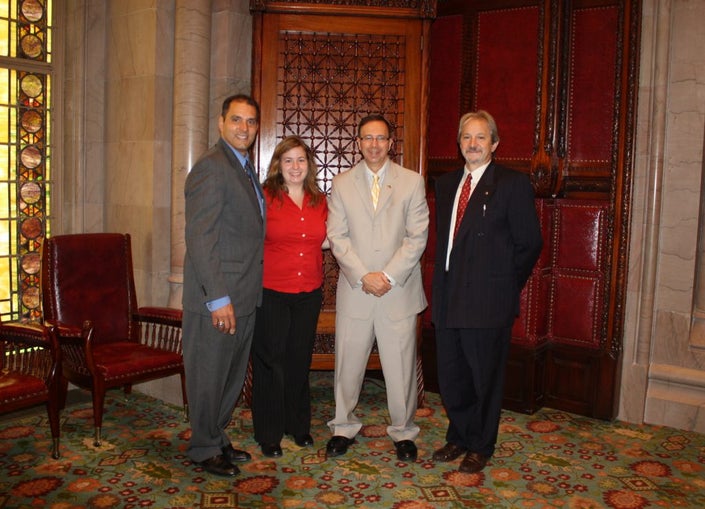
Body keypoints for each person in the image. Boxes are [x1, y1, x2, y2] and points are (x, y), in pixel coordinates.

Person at [431, 110, 542, 474]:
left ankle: (481, 445)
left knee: (484, 380)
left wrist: (503, 284)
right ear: (459, 143)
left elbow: (529, 243)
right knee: (453, 376)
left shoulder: (511, 184)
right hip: (448, 297)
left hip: (488, 302)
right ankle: (460, 436)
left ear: (494, 143)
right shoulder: (447, 184)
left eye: (481, 137)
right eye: (466, 137)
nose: (473, 143)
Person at [325, 114, 429, 463]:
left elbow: (417, 237)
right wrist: (363, 275)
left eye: (380, 138)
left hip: (398, 291)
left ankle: (404, 431)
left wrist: (388, 276)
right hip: (356, 290)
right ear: (358, 143)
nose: (374, 144)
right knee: (348, 365)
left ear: (390, 143)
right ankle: (343, 427)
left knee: (400, 369)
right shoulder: (341, 184)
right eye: (368, 138)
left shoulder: (411, 182)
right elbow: (337, 236)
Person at [182, 94, 265, 477]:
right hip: (218, 299)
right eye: (236, 120)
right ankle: (203, 447)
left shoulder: (243, 168)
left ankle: (215, 436)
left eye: (250, 121)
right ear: (220, 123)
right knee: (209, 375)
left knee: (229, 376)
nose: (243, 128)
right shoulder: (212, 167)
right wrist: (218, 299)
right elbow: (200, 239)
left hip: (244, 295)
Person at [251, 136, 328, 458]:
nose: (295, 166)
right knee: (271, 361)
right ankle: (269, 432)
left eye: (300, 160)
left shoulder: (319, 200)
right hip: (272, 291)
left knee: (299, 359)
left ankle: (298, 425)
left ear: (309, 164)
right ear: (278, 165)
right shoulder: (264, 196)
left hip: (309, 292)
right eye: (288, 160)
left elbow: (328, 239)